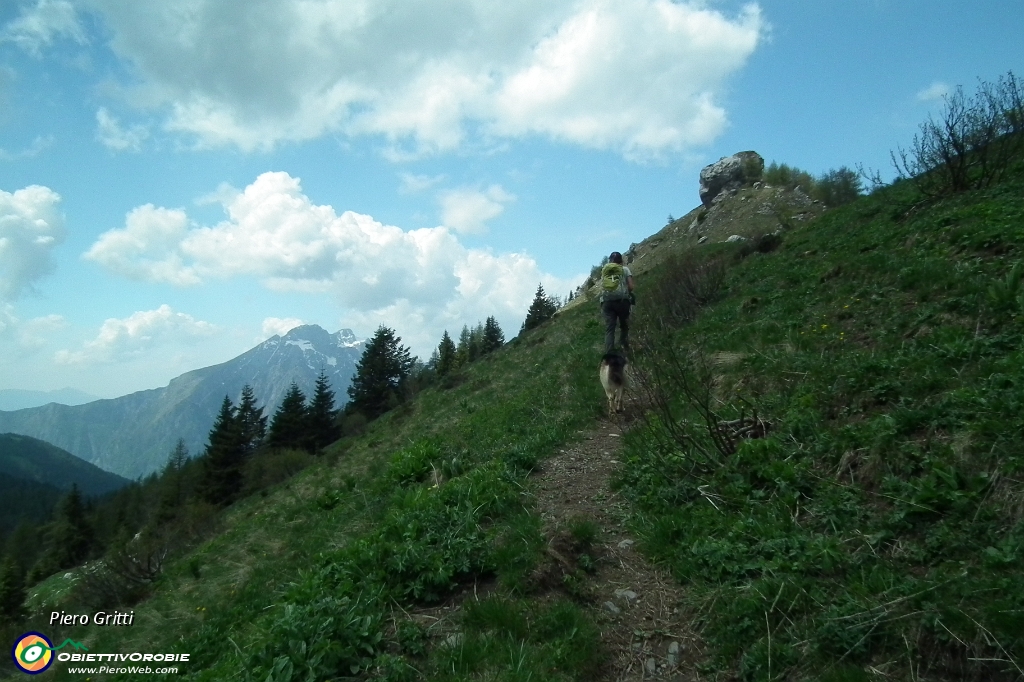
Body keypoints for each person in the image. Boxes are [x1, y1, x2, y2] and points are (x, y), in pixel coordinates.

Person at [599, 251, 634, 353]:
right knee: (624, 325)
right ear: (621, 261)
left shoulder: (605, 271)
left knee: (610, 328)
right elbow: (631, 286)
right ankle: (624, 348)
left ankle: (609, 353)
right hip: (622, 301)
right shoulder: (625, 269)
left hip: (607, 302)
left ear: (610, 260)